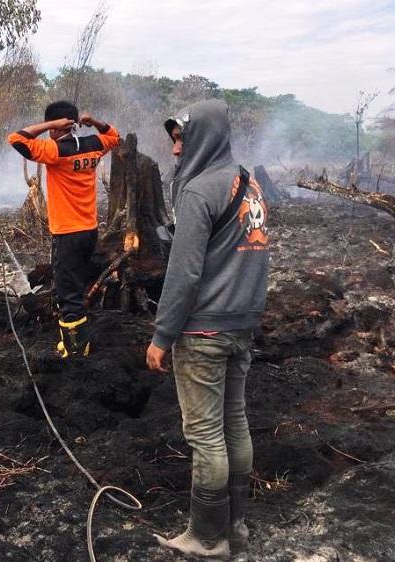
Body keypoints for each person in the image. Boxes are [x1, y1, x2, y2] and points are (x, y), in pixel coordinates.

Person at [145, 100, 270, 559]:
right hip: (241, 325)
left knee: (204, 437)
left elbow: (184, 275)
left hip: (203, 333)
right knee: (235, 423)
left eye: (182, 138)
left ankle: (206, 537)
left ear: (204, 136)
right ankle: (236, 529)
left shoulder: (198, 191)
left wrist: (162, 336)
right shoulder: (249, 183)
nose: (176, 150)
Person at [8, 101, 120, 358]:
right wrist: (95, 123)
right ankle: (75, 340)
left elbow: (16, 139)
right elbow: (114, 136)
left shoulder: (55, 150)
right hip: (89, 230)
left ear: (58, 126)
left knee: (68, 293)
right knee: (75, 286)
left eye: (52, 126)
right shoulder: (93, 145)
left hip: (67, 233)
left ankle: (75, 349)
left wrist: (49, 125)